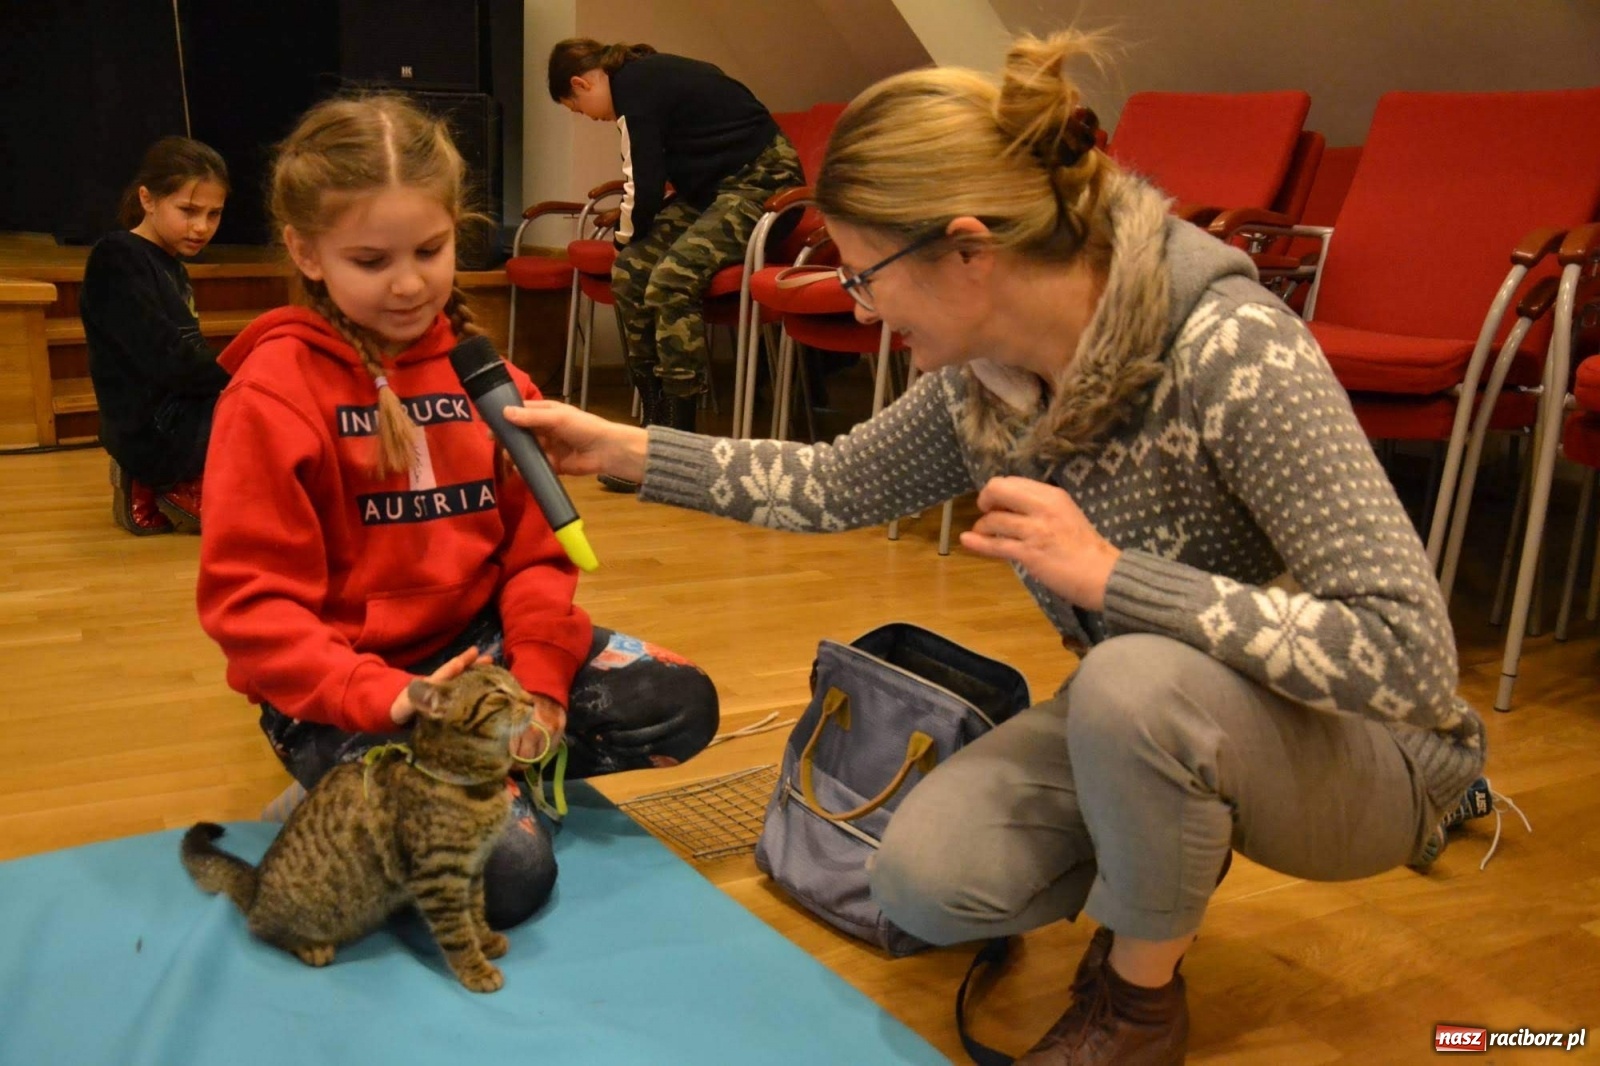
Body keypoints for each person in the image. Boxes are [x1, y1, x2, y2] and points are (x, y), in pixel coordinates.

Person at [505, 32, 1487, 1065]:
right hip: (1169, 705)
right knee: (926, 881)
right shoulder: (995, 376)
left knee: (1130, 681)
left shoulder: (1232, 349)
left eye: (865, 275)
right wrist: (618, 448)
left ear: (969, 248)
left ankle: (1137, 1001)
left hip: (1369, 745)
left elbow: (1408, 654)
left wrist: (1115, 580)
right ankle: (1169, 833)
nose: (861, 307)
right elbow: (834, 481)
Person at [195, 94, 719, 931]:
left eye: (431, 251)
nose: (409, 284)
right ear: (306, 251)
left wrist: (542, 685)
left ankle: (457, 781)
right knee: (509, 879)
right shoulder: (272, 394)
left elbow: (536, 555)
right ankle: (349, 788)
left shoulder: (489, 377)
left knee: (681, 704)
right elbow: (251, 609)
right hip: (353, 686)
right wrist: (383, 698)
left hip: (481, 658)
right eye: (371, 260)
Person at [548, 38, 804, 488]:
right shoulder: (636, 82)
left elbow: (642, 187)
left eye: (577, 106)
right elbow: (647, 191)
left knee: (669, 280)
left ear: (581, 82)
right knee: (628, 274)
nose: (587, 115)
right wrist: (630, 250)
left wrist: (627, 237)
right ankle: (654, 423)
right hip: (710, 192)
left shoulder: (635, 89)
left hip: (762, 186)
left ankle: (681, 444)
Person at [82, 136, 231, 534]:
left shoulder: (173, 268)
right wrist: (240, 372)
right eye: (188, 210)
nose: (202, 226)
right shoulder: (117, 256)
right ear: (148, 199)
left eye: (214, 214)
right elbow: (166, 360)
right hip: (153, 423)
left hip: (181, 411)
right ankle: (165, 480)